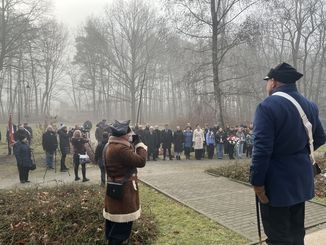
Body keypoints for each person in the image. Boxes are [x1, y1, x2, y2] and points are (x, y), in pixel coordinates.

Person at [250, 62, 326, 245]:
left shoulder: (267, 106)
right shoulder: (310, 105)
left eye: (267, 81)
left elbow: (261, 150)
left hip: (276, 184)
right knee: (297, 232)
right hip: (300, 179)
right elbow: (320, 137)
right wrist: (298, 152)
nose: (267, 85)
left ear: (274, 82)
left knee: (278, 237)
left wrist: (257, 182)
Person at [103, 120, 147, 244]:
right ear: (123, 135)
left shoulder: (109, 145)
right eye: (129, 134)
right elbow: (141, 161)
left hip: (114, 190)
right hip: (124, 194)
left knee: (113, 229)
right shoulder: (121, 148)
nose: (130, 136)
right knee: (120, 233)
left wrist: (131, 144)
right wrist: (139, 144)